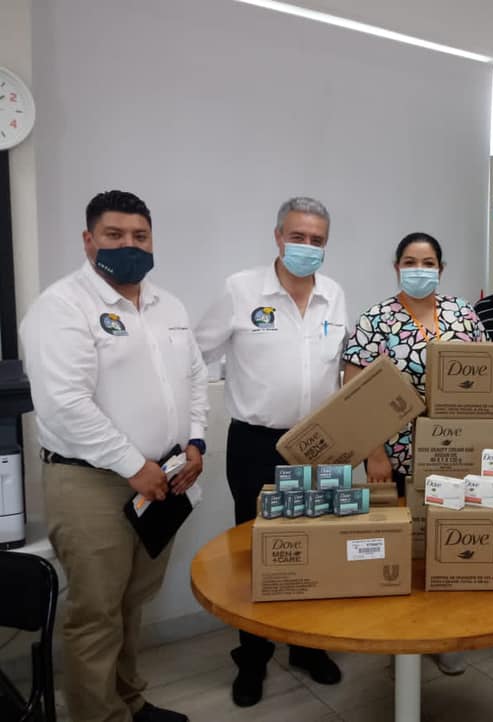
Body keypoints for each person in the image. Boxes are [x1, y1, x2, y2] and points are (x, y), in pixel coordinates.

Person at [20, 190, 208, 722]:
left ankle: (129, 700)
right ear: (89, 240)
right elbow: (64, 405)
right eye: (115, 235)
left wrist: (196, 441)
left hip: (162, 478)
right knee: (96, 612)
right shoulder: (61, 307)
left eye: (140, 236)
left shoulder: (168, 305)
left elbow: (195, 376)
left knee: (131, 601)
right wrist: (132, 465)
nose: (130, 245)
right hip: (92, 483)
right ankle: (98, 716)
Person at [194, 197, 347, 707]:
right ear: (278, 236)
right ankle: (253, 655)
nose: (307, 246)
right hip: (257, 444)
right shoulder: (240, 290)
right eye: (298, 236)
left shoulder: (334, 295)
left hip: (319, 444)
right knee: (258, 553)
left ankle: (306, 646)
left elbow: (340, 367)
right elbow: (196, 355)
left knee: (316, 548)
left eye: (317, 240)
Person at [342, 232, 487, 676]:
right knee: (401, 547)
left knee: (447, 543)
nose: (419, 270)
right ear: (396, 267)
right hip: (394, 453)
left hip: (456, 452)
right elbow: (354, 391)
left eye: (428, 263)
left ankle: (445, 633)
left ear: (441, 269)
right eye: (410, 261)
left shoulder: (464, 314)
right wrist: (374, 452)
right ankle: (401, 640)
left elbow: (488, 380)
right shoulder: (376, 319)